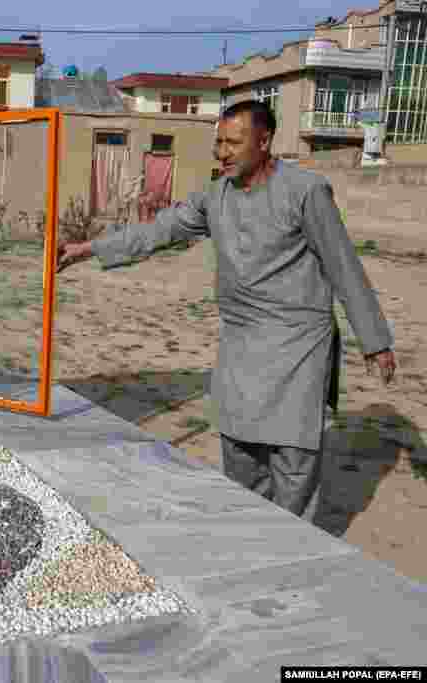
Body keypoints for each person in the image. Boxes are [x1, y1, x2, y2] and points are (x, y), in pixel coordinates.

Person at [56, 99, 397, 523]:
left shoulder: (305, 191)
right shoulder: (214, 197)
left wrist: (375, 340)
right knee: (239, 448)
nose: (223, 153)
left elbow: (343, 264)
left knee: (292, 454)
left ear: (265, 141)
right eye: (218, 143)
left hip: (297, 342)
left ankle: (293, 548)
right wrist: (88, 248)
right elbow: (159, 230)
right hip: (241, 340)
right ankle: (248, 534)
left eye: (234, 143)